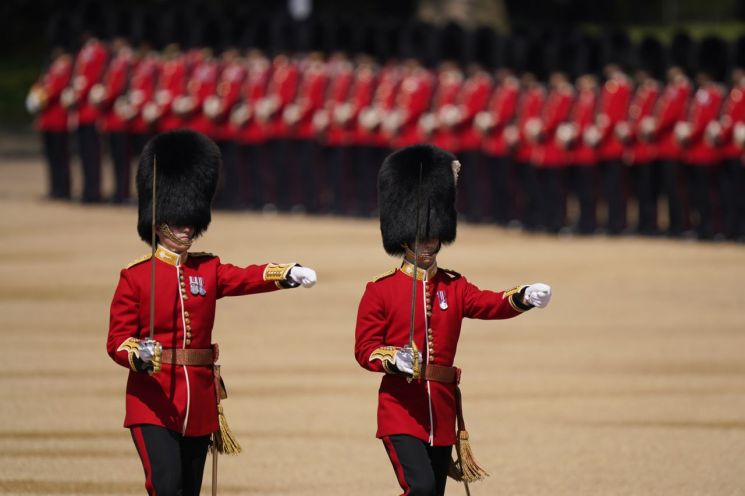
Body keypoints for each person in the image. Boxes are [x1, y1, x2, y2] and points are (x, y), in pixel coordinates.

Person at [107, 130, 317, 495]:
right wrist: (137, 355)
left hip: (199, 400)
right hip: (153, 399)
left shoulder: (208, 269)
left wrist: (286, 273)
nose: (187, 228)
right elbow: (116, 341)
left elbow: (246, 277)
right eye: (178, 221)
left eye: (190, 220)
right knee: (165, 486)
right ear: (158, 223)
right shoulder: (136, 276)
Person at [354, 144, 552, 496]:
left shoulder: (453, 285)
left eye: (434, 237)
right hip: (400, 409)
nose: (428, 244)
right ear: (403, 239)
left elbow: (489, 304)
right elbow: (365, 349)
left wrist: (522, 297)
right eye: (421, 237)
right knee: (421, 489)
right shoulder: (380, 290)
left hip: (441, 411)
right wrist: (391, 358)